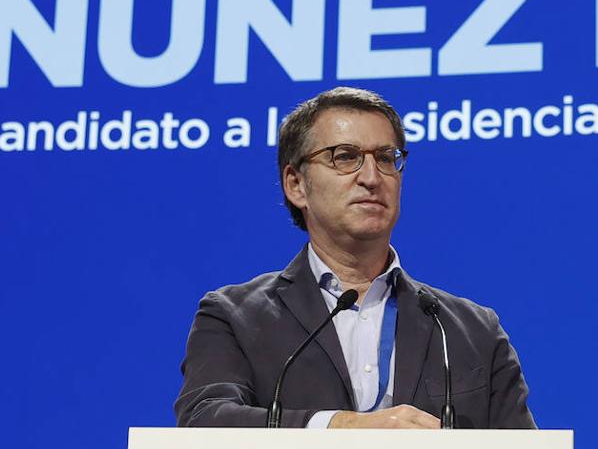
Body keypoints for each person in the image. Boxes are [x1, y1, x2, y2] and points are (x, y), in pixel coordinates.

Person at [175, 87, 536, 429]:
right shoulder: (234, 316)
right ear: (295, 184)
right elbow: (204, 420)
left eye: (385, 158)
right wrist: (341, 426)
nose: (371, 177)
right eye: (345, 157)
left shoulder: (471, 330)